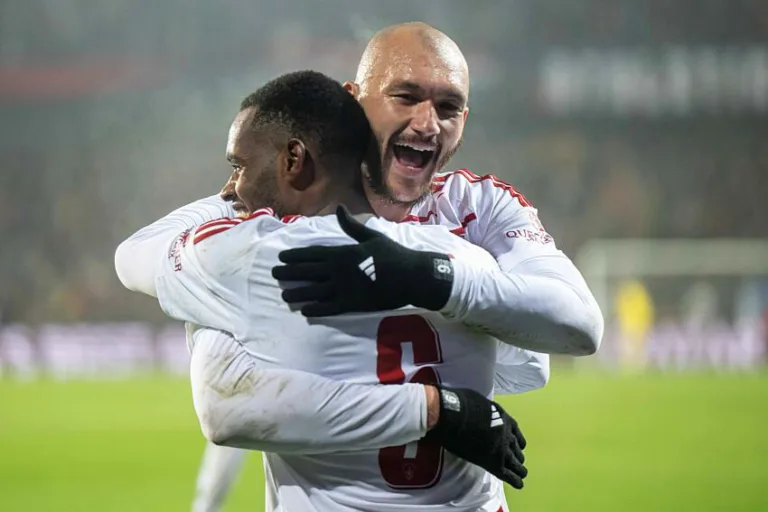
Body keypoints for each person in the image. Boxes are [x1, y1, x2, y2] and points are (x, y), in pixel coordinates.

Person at [190, 21, 604, 511]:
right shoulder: (281, 209)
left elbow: (580, 327)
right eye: (405, 97)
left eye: (448, 107)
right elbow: (227, 408)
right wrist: (440, 410)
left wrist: (431, 279)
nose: (428, 123)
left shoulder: (482, 207)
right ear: (352, 102)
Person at [116, 70, 530, 512]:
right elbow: (530, 365)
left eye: (239, 165)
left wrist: (225, 205)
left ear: (294, 159)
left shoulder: (251, 254)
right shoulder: (465, 260)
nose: (234, 184)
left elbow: (132, 256)